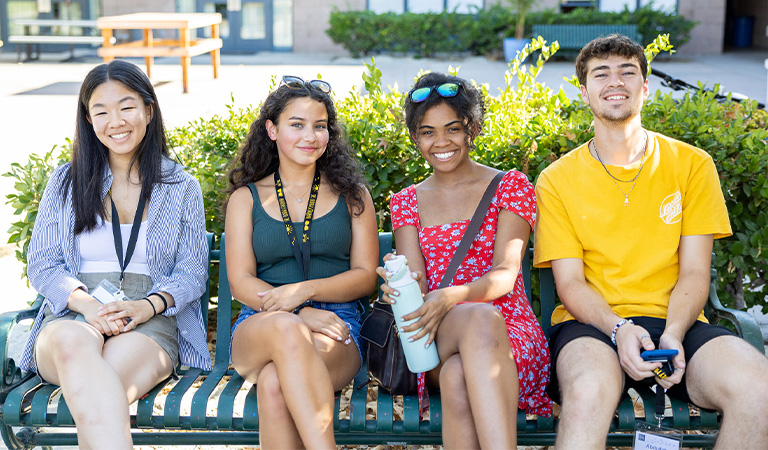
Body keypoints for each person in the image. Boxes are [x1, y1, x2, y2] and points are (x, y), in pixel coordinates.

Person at [534, 34, 768, 449]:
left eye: (628, 72)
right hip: (591, 326)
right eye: (600, 73)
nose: (615, 82)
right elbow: (570, 285)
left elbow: (695, 272)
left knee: (759, 389)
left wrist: (674, 333)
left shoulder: (692, 165)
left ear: (645, 87)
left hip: (677, 325)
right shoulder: (557, 180)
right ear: (584, 92)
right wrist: (619, 328)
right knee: (588, 392)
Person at [19, 60, 211, 449]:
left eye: (126, 106)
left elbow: (192, 270)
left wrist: (149, 306)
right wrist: (88, 306)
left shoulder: (181, 186)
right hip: (71, 312)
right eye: (101, 111)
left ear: (148, 110)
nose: (115, 121)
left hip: (148, 318)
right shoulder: (65, 180)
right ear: (88, 120)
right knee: (77, 352)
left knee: (98, 390)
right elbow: (42, 263)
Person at [378, 72, 552, 449]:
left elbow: (506, 274)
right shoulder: (407, 200)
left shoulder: (510, 185)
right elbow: (419, 280)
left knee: (459, 374)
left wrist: (452, 295)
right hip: (439, 331)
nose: (441, 142)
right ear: (415, 137)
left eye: (452, 128)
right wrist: (400, 285)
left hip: (510, 332)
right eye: (427, 132)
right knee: (472, 324)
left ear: (471, 128)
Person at [225, 75, 378, 449]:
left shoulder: (353, 196)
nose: (310, 136)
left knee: (276, 383)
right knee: (287, 332)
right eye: (297, 124)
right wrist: (298, 312)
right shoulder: (245, 199)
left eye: (320, 126)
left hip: (339, 325)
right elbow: (241, 281)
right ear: (272, 130)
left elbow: (365, 278)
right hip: (261, 322)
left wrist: (306, 291)